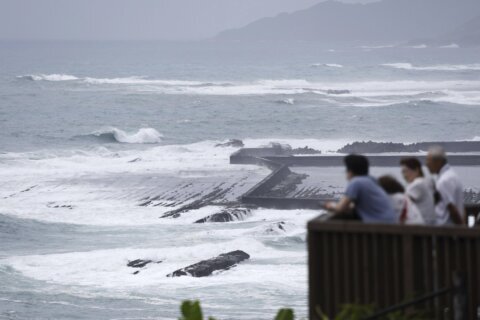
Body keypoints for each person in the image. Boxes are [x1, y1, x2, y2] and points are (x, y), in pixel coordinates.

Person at [324, 154, 396, 223]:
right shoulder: (371, 180)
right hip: (390, 224)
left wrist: (330, 206)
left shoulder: (356, 182)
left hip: (379, 227)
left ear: (351, 171)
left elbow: (340, 208)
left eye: (346, 170)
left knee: (329, 220)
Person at [425, 146, 465, 225]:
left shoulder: (444, 181)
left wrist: (462, 229)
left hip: (446, 232)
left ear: (438, 161)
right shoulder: (452, 175)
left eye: (428, 161)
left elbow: (452, 209)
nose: (426, 164)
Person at [400, 157, 436, 225]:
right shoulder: (427, 181)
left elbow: (402, 204)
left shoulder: (417, 184)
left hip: (420, 227)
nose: (404, 175)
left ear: (416, 170)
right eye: (402, 172)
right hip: (430, 225)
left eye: (406, 171)